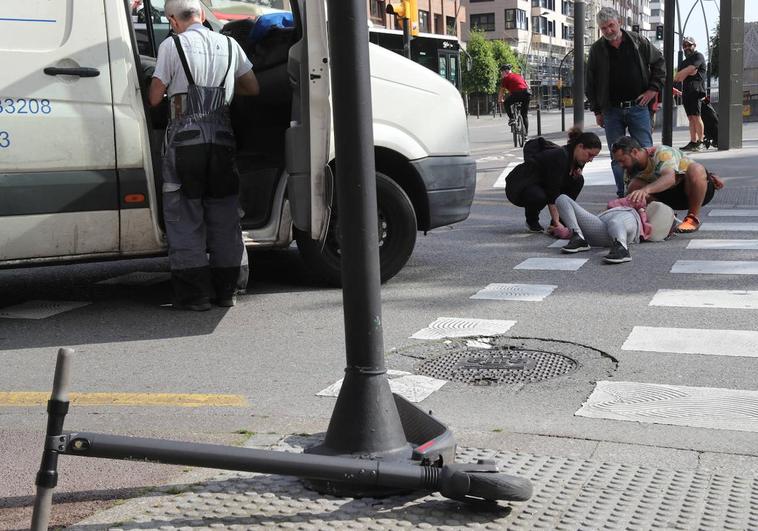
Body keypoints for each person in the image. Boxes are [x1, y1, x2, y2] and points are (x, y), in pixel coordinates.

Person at [149, 0, 260, 311]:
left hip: (186, 142)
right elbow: (252, 87)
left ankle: (195, 295)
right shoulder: (229, 44)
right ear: (199, 14)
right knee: (224, 216)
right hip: (222, 140)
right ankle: (228, 292)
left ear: (173, 20)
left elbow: (156, 96)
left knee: (185, 217)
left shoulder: (173, 46)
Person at [586, 7, 665, 198]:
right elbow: (591, 82)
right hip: (611, 110)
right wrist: (597, 110)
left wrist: (653, 89)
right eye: (603, 28)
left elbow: (659, 63)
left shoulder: (638, 41)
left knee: (645, 152)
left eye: (611, 26)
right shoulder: (597, 50)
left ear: (619, 22)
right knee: (617, 156)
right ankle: (624, 195)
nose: (608, 31)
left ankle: (648, 194)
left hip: (638, 107)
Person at [610, 136, 724, 233]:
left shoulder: (661, 152)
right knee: (634, 187)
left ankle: (692, 218)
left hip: (692, 190)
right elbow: (629, 200)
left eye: (622, 160)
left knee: (696, 168)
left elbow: (670, 178)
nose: (620, 165)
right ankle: (668, 218)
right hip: (669, 196)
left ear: (634, 152)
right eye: (618, 162)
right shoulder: (630, 170)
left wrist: (645, 190)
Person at [505, 128, 602, 233]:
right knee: (539, 196)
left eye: (594, 157)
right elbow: (553, 193)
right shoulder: (560, 156)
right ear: (580, 146)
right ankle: (532, 220)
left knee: (578, 180)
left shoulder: (575, 156)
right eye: (590, 155)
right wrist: (556, 222)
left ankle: (561, 220)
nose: (591, 160)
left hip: (542, 183)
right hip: (520, 185)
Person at [553, 195, 675, 264]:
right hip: (600, 228)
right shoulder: (615, 208)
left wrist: (641, 206)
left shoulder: (639, 214)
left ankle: (622, 248)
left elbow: (642, 204)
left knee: (615, 222)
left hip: (627, 223)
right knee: (562, 198)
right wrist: (562, 230)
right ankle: (578, 237)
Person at [674, 36, 708, 152]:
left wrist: (688, 70)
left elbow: (691, 70)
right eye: (684, 45)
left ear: (694, 45)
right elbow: (678, 77)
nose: (686, 47)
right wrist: (688, 70)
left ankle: (701, 141)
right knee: (690, 118)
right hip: (687, 92)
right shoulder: (684, 62)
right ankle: (693, 141)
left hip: (697, 91)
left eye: (689, 45)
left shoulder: (698, 56)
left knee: (696, 116)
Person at [497, 64, 531, 135]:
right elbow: (527, 86)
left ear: (506, 71)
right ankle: (526, 134)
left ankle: (512, 118)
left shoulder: (505, 78)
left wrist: (500, 99)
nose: (501, 74)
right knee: (524, 115)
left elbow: (502, 91)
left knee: (506, 103)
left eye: (502, 72)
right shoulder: (518, 76)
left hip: (516, 94)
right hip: (526, 93)